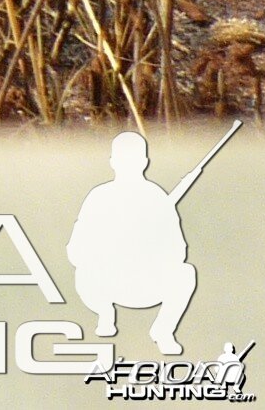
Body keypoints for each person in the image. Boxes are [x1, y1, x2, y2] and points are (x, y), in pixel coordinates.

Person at [68, 129, 198, 358]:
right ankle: (105, 313)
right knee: (83, 272)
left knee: (186, 273)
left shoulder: (157, 198)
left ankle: (163, 331)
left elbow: (178, 252)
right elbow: (75, 251)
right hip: (106, 284)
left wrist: (148, 247)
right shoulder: (99, 197)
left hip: (146, 285)